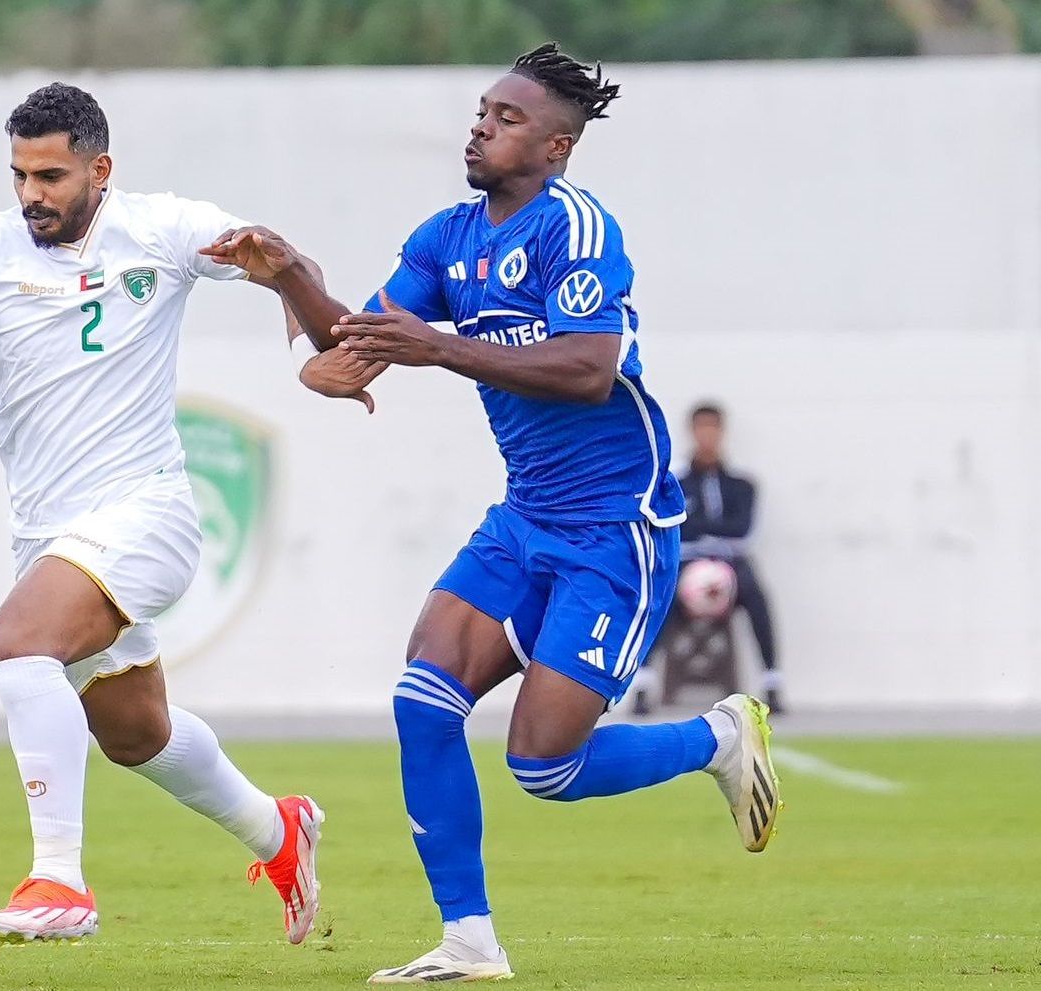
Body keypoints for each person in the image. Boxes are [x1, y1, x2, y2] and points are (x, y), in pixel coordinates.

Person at [201, 43, 782, 983]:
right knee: (421, 699)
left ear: (555, 148)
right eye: (481, 111)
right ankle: (468, 939)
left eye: (506, 118)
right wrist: (291, 275)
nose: (481, 125)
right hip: (524, 518)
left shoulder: (578, 229)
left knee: (544, 767)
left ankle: (717, 737)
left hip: (615, 531)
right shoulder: (446, 238)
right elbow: (366, 339)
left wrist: (439, 348)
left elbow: (590, 370)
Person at [0, 82, 327, 946]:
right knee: (136, 736)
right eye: (20, 174)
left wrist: (293, 286)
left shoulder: (164, 228)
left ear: (100, 169)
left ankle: (58, 880)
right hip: (50, 537)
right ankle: (280, 831)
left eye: (51, 176)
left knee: (19, 642)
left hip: (148, 511)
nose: (32, 195)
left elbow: (283, 269)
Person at [678, 402, 783, 713]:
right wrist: (708, 531)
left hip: (729, 565)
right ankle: (643, 681)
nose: (707, 435)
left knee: (756, 592)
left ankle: (772, 680)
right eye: (702, 428)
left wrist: (702, 529)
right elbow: (676, 528)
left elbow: (742, 529)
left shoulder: (742, 485)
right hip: (689, 565)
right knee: (662, 593)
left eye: (714, 428)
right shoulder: (677, 485)